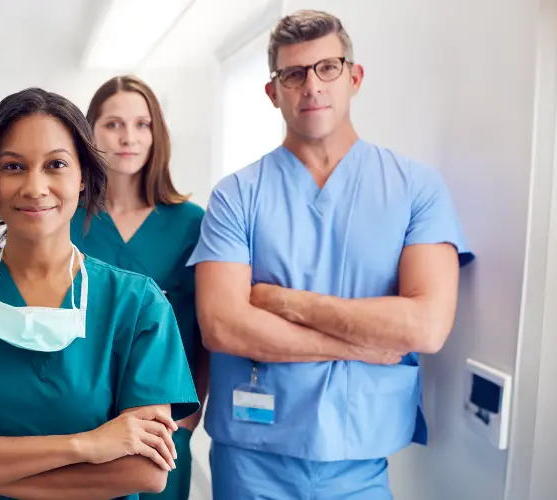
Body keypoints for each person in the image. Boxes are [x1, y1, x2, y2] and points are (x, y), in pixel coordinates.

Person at [187, 10, 475, 499]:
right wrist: (359, 345)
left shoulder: (415, 189)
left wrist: (285, 303)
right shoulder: (236, 195)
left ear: (354, 78)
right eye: (293, 74)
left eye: (327, 68)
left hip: (361, 463)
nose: (311, 86)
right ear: (273, 92)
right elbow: (223, 325)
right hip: (250, 461)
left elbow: (424, 327)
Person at [0, 87, 200, 500]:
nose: (35, 186)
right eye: (13, 166)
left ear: (83, 176)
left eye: (56, 165)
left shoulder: (138, 305)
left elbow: (145, 471)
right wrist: (85, 445)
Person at [71, 75, 208, 500]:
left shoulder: (191, 223)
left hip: (160, 427)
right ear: (90, 132)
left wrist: (190, 416)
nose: (128, 137)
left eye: (142, 124)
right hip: (78, 422)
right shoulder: (67, 220)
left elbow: (204, 333)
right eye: (113, 124)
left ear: (157, 133)